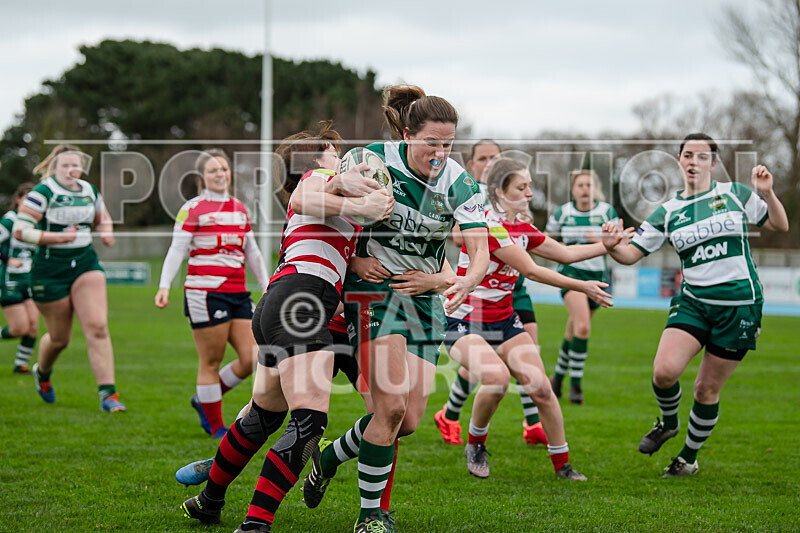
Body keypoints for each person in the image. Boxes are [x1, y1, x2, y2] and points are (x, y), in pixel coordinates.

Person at [181, 123, 395, 533]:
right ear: (314, 158)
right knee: (310, 424)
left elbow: (324, 236)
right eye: (334, 150)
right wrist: (360, 204)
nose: (343, 156)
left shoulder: (335, 194)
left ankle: (209, 501)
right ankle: (255, 524)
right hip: (303, 301)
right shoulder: (320, 178)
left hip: (280, 303)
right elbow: (304, 196)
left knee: (261, 417)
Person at [302, 85, 490, 533]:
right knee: (388, 408)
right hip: (376, 293)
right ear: (407, 134)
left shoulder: (460, 184)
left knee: (407, 421)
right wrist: (353, 259)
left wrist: (456, 280)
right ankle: (370, 517)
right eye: (432, 142)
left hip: (424, 303)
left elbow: (479, 252)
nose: (441, 152)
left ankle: (328, 458)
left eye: (448, 143)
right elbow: (326, 212)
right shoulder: (371, 160)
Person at [602, 133, 788, 477]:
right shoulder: (668, 211)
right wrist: (611, 246)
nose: (693, 161)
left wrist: (768, 193)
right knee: (664, 372)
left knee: (705, 389)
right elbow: (630, 254)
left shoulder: (735, 194)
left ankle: (688, 458)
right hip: (694, 302)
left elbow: (780, 223)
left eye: (702, 157)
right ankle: (669, 424)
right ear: (679, 160)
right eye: (687, 155)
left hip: (739, 306)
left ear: (713, 164)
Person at [443, 156, 621, 480]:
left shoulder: (521, 226)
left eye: (529, 186)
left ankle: (562, 464)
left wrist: (605, 246)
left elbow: (564, 253)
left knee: (541, 388)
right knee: (496, 380)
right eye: (522, 187)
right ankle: (475, 442)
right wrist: (582, 285)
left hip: (503, 321)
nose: (529, 193)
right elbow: (531, 269)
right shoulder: (487, 225)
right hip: (464, 321)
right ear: (499, 191)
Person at [437, 141, 548, 447]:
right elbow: (459, 237)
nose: (489, 162)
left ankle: (532, 422)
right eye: (482, 158)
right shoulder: (468, 194)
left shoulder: (512, 190)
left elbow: (527, 230)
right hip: (481, 289)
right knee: (484, 364)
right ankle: (450, 413)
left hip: (514, 285)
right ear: (471, 165)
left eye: (494, 157)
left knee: (529, 352)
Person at [155, 149, 268, 438]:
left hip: (238, 293)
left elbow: (251, 251)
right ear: (202, 177)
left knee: (251, 358)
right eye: (213, 171)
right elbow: (177, 249)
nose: (220, 175)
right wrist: (164, 285)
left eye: (224, 170)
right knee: (211, 361)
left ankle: (205, 399)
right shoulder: (192, 208)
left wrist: (266, 283)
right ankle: (216, 425)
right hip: (204, 293)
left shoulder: (239, 208)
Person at [13, 144, 125, 412]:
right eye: (65, 165)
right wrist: (57, 237)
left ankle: (108, 394)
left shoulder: (88, 190)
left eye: (76, 165)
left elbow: (103, 217)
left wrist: (107, 232)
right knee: (59, 338)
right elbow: (20, 230)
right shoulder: (42, 193)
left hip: (85, 263)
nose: (71, 169)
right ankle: (43, 372)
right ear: (54, 168)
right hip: (49, 270)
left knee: (97, 326)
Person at [546, 169, 619, 404]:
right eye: (580, 185)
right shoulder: (563, 213)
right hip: (572, 276)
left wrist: (597, 241)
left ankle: (556, 379)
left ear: (595, 188)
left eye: (589, 185)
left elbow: (621, 243)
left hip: (598, 277)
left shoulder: (606, 211)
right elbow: (546, 239)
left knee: (574, 331)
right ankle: (575, 386)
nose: (585, 189)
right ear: (573, 189)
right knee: (583, 327)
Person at [0, 183, 39, 374]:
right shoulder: (10, 220)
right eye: (26, 198)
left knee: (33, 327)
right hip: (9, 281)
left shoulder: (36, 223)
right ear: (18, 199)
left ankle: (20, 365)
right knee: (19, 328)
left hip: (29, 280)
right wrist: (8, 260)